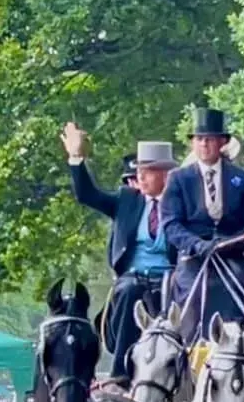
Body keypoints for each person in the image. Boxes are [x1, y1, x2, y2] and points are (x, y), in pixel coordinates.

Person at [62, 124, 176, 380]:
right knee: (129, 291)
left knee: (192, 293)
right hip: (134, 277)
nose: (141, 177)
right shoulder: (127, 200)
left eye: (147, 171)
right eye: (139, 171)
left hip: (174, 278)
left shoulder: (181, 204)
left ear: (166, 175)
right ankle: (120, 375)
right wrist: (76, 159)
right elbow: (87, 194)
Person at [161, 107, 244, 342]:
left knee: (233, 286)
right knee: (193, 290)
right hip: (193, 258)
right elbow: (171, 224)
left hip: (231, 257)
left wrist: (229, 244)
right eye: (199, 139)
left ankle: (233, 346)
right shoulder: (179, 179)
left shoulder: (242, 179)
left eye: (209, 139)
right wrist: (197, 245)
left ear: (222, 143)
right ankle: (189, 346)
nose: (204, 144)